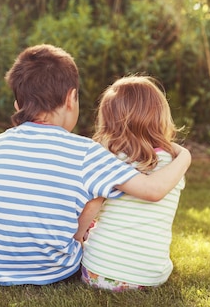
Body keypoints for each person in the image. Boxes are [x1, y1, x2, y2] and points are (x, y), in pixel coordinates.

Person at [0, 44, 191, 286]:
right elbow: (151, 190)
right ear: (71, 98)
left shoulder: (0, 142)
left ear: (18, 106)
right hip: (53, 270)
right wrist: (185, 156)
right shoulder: (86, 152)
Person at [77, 75, 185, 291]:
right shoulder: (174, 166)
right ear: (160, 116)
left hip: (98, 273)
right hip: (150, 278)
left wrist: (78, 237)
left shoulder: (109, 160)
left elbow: (92, 207)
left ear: (108, 121)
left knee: (92, 229)